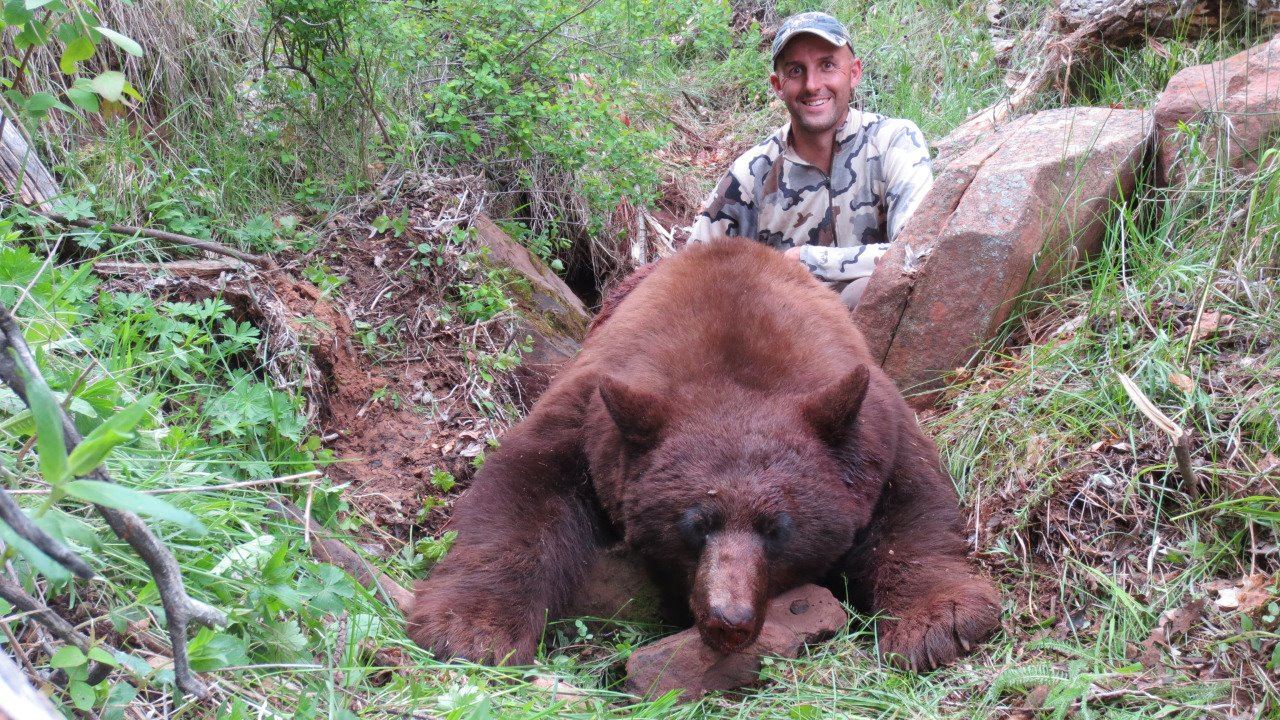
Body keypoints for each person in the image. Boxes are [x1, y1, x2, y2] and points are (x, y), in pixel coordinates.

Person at [687, 11, 934, 308]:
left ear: (854, 72)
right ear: (778, 85)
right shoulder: (750, 175)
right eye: (795, 71)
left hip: (878, 323)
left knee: (866, 291)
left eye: (827, 65)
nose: (812, 85)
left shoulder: (894, 142)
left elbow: (917, 253)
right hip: (782, 327)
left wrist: (805, 261)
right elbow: (689, 275)